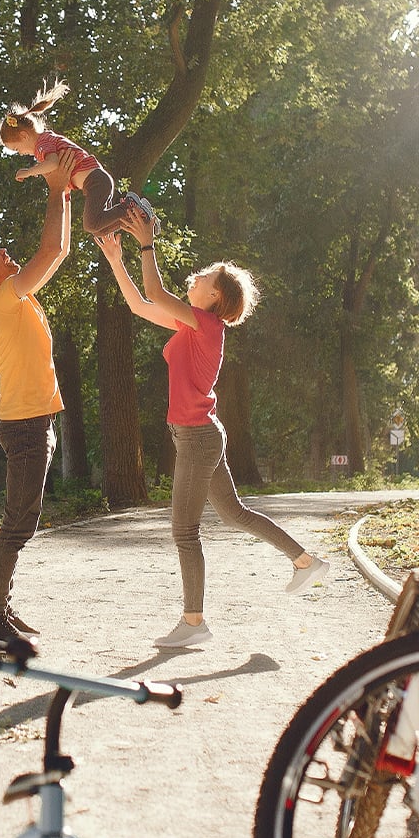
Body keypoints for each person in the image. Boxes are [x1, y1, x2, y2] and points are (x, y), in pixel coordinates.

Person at [96, 207, 330, 649]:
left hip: (199, 438)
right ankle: (305, 561)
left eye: (205, 277)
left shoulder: (205, 325)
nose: (196, 277)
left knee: (185, 531)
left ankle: (194, 621)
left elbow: (154, 289)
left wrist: (146, 242)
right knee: (234, 514)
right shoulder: (192, 322)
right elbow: (140, 304)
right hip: (201, 434)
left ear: (216, 298)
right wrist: (115, 260)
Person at [0, 150, 78, 650]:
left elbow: (59, 250)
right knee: (17, 521)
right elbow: (49, 253)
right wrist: (52, 189)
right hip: (25, 425)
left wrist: (64, 192)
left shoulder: (17, 296)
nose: (6, 253)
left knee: (23, 519)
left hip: (34, 422)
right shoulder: (2, 299)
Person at [0, 79, 159, 238]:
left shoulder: (42, 144)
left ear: (24, 135)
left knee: (91, 225)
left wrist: (29, 172)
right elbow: (61, 175)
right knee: (99, 231)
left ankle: (127, 207)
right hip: (96, 182)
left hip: (95, 181)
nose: (20, 153)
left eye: (16, 149)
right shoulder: (47, 141)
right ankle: (137, 217)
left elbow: (52, 164)